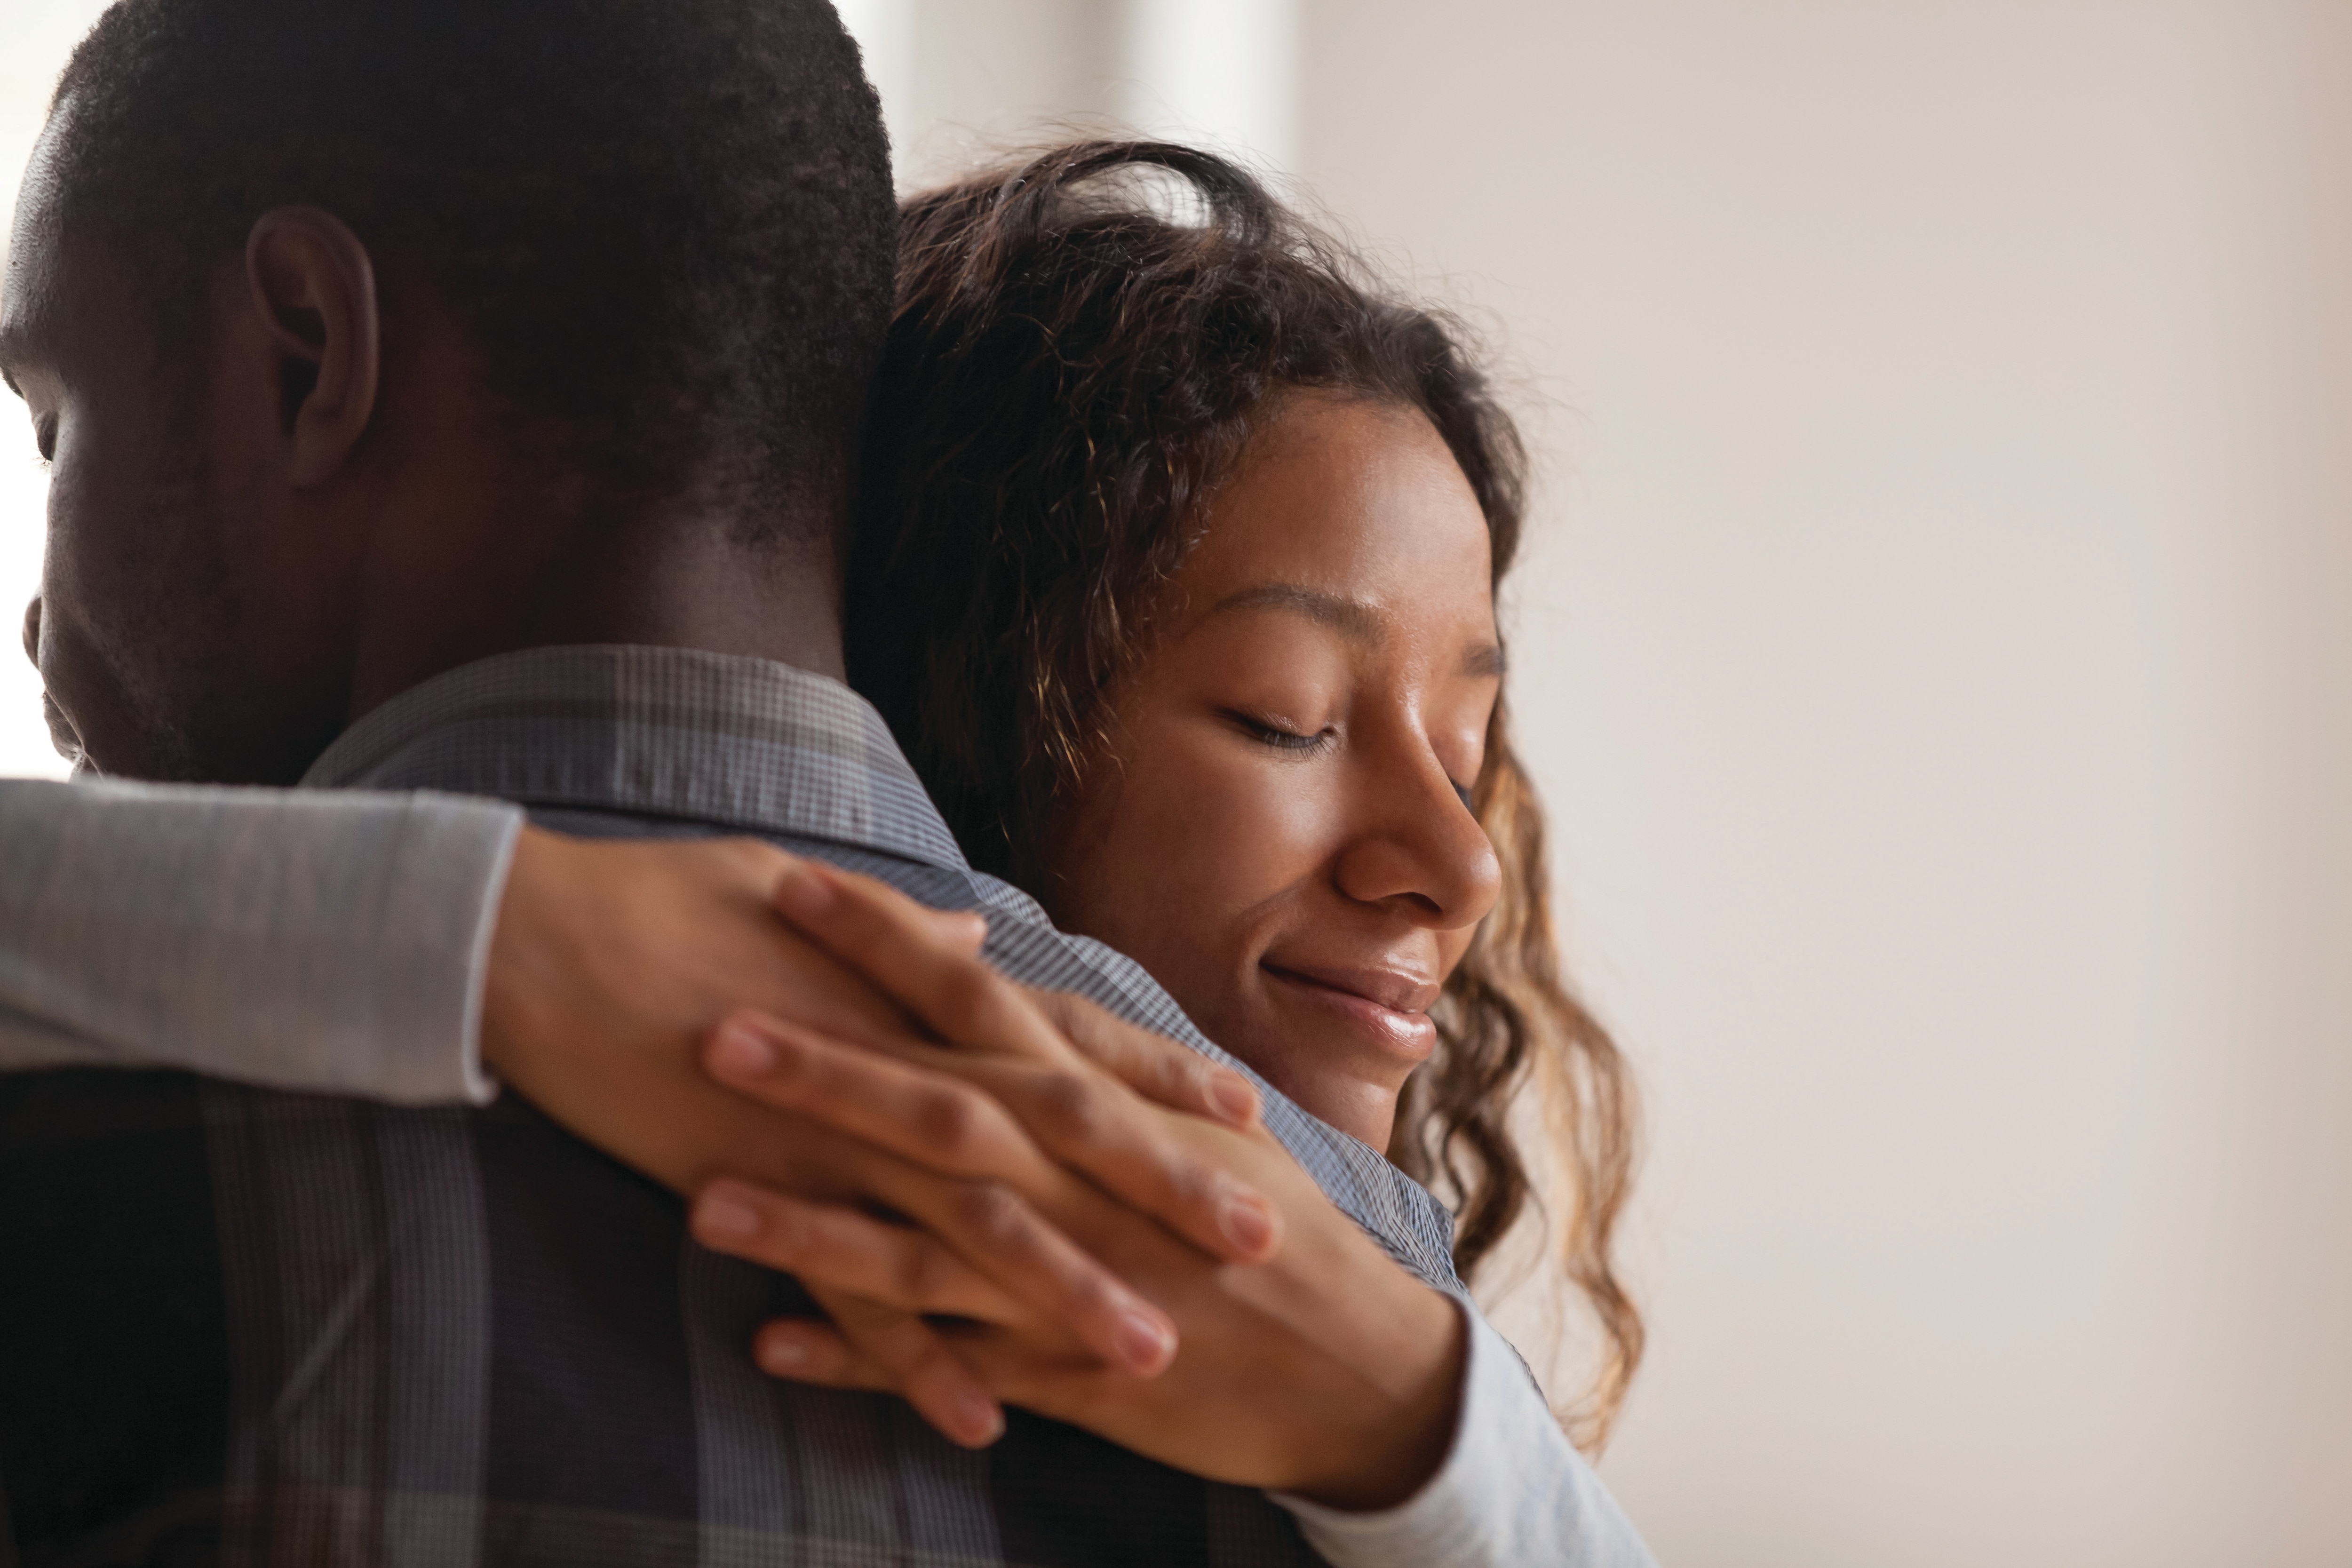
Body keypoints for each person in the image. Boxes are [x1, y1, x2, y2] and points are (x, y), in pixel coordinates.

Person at [0, 4, 1653, 1566]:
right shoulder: (1333, 1312)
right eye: (1291, 716)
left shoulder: (85, 1136)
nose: (36, 615)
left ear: (307, 357)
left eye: (59, 424)